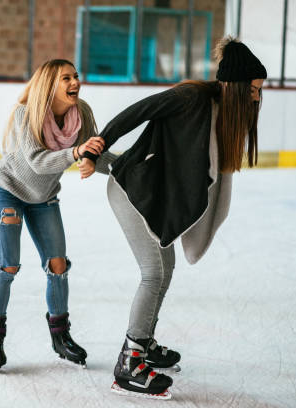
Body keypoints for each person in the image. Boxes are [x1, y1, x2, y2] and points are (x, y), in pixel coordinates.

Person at [78, 37, 267, 399]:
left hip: (155, 196)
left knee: (165, 271)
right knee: (154, 273)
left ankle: (144, 343)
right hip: (134, 193)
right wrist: (96, 144)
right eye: (254, 90)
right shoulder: (192, 97)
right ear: (237, 84)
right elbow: (139, 110)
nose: (257, 97)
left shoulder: (219, 110)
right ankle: (130, 363)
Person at [0, 59, 115, 371]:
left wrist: (107, 163)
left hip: (43, 198)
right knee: (8, 265)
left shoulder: (80, 113)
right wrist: (76, 153)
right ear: (49, 85)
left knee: (58, 264)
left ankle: (61, 337)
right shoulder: (24, 114)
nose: (75, 82)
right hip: (9, 191)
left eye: (76, 76)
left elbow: (95, 152)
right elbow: (37, 163)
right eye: (65, 78)